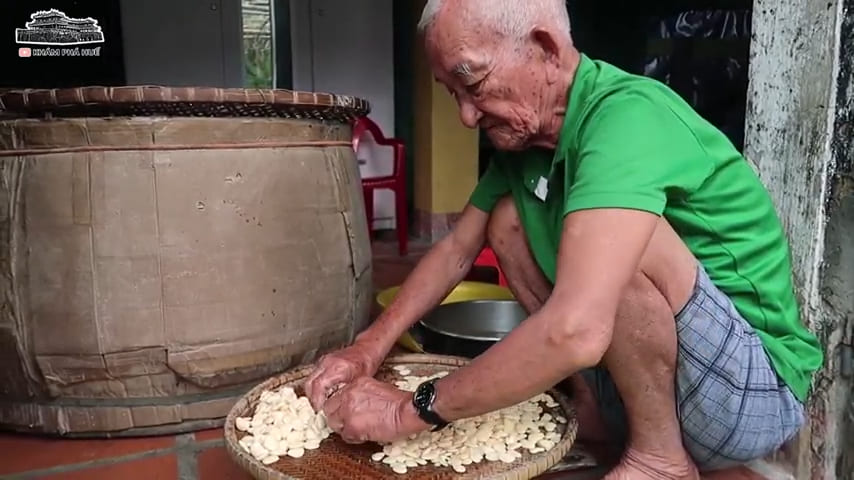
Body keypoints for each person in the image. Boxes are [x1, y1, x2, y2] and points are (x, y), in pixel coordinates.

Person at [303, 0, 824, 478]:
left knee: (617, 246)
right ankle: (592, 411)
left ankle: (660, 457)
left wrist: (408, 410)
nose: (466, 115)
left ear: (546, 49)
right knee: (506, 218)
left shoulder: (626, 118)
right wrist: (369, 348)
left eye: (474, 84)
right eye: (452, 94)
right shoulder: (522, 142)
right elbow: (455, 251)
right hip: (648, 384)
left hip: (748, 396)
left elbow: (577, 329)